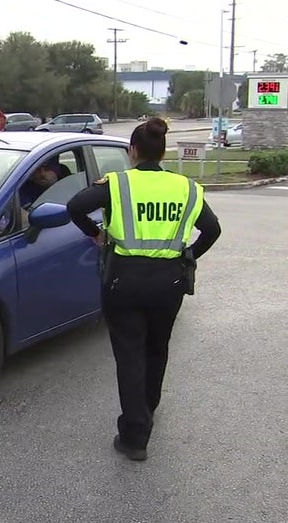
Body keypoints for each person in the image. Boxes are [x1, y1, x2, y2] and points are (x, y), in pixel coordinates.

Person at [66, 117, 222, 461]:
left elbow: (75, 206)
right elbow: (212, 229)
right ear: (163, 151)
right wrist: (189, 254)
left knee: (129, 353)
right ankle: (149, 406)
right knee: (157, 346)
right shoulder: (186, 187)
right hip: (170, 280)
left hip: (125, 278)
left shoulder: (118, 184)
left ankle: (135, 435)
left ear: (132, 151)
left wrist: (96, 233)